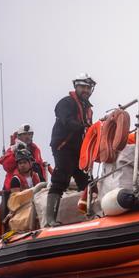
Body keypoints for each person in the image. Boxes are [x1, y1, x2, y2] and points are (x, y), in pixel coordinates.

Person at [44, 74, 95, 226]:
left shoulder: (88, 108)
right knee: (61, 178)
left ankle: (91, 213)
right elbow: (66, 120)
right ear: (76, 87)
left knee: (87, 183)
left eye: (88, 87)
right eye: (83, 87)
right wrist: (83, 126)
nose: (85, 90)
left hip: (79, 150)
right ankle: (50, 220)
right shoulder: (66, 103)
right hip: (64, 146)